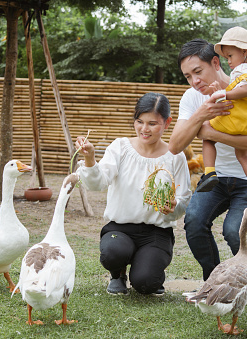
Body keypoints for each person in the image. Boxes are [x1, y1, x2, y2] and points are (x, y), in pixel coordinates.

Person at [168, 37, 247, 303]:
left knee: (233, 230)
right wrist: (202, 113)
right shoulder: (192, 98)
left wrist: (211, 133)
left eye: (198, 72)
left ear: (216, 63)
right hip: (216, 178)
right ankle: (213, 284)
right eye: (187, 76)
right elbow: (175, 145)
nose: (194, 81)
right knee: (193, 222)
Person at [75, 92, 191, 296]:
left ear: (167, 123)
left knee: (146, 283)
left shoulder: (175, 157)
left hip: (156, 232)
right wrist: (91, 158)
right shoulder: (120, 147)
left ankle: (150, 272)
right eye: (139, 122)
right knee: (113, 252)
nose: (144, 129)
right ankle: (118, 274)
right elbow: (98, 182)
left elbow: (184, 199)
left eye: (152, 124)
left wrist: (174, 206)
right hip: (119, 228)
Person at [196, 26, 247, 207]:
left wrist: (222, 94)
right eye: (226, 58)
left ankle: (209, 173)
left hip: (235, 120)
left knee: (208, 134)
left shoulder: (240, 71)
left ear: (244, 51)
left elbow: (245, 90)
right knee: (243, 153)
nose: (229, 62)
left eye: (230, 56)